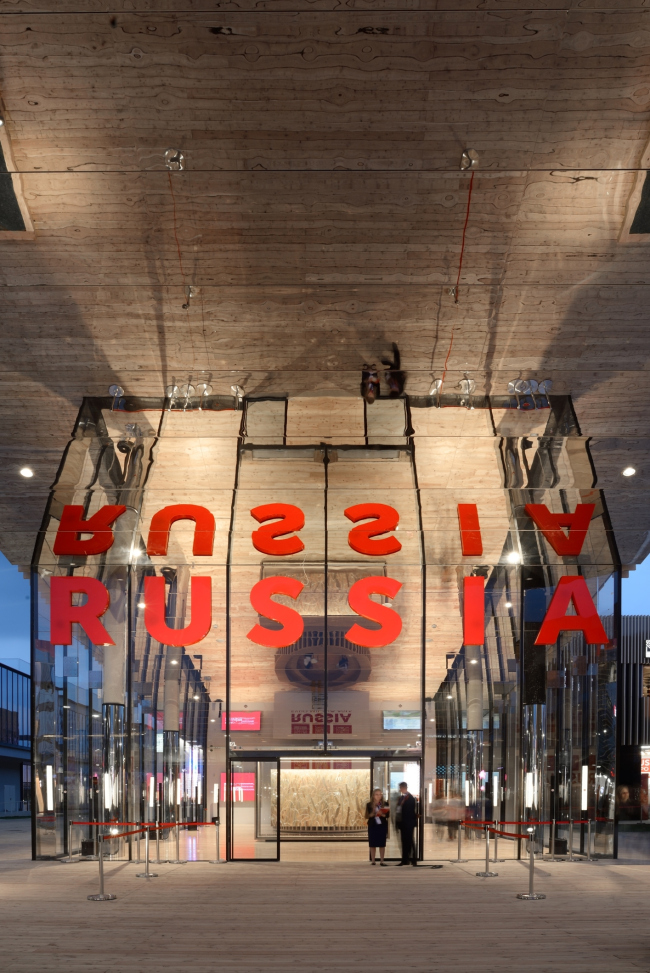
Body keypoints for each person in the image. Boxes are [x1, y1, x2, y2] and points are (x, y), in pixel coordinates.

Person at [365, 788, 389, 865]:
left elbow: (387, 815)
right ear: (373, 796)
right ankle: (373, 861)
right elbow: (368, 815)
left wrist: (381, 814)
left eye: (380, 794)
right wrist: (374, 813)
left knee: (382, 843)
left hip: (382, 825)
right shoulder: (369, 804)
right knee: (372, 843)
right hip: (373, 825)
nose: (379, 796)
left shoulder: (385, 804)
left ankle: (382, 860)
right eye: (377, 794)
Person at [396, 781, 418, 866]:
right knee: (404, 841)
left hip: (408, 823)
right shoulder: (402, 798)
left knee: (410, 841)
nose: (400, 789)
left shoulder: (410, 798)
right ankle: (405, 859)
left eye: (400, 788)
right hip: (403, 823)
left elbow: (409, 811)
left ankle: (413, 859)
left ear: (403, 788)